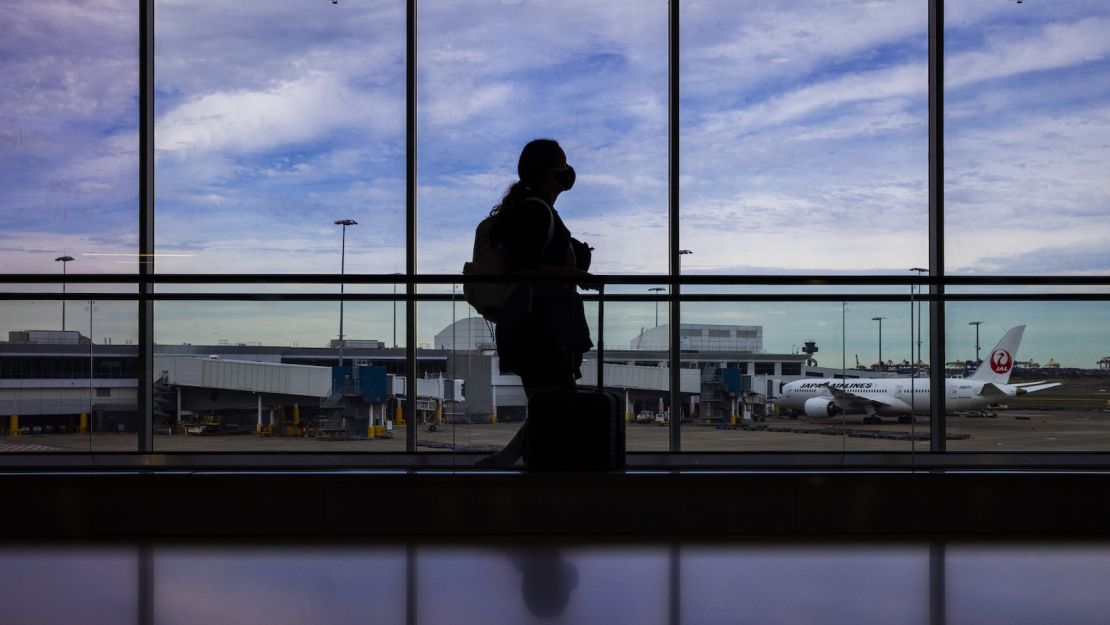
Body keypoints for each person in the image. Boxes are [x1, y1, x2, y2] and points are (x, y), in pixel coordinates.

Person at [479, 139, 595, 467]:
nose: (568, 170)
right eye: (562, 163)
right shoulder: (535, 210)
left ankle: (513, 460)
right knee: (556, 405)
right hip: (540, 326)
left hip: (541, 324)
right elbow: (523, 266)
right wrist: (573, 272)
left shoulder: (537, 209)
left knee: (551, 405)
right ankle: (517, 464)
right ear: (548, 172)